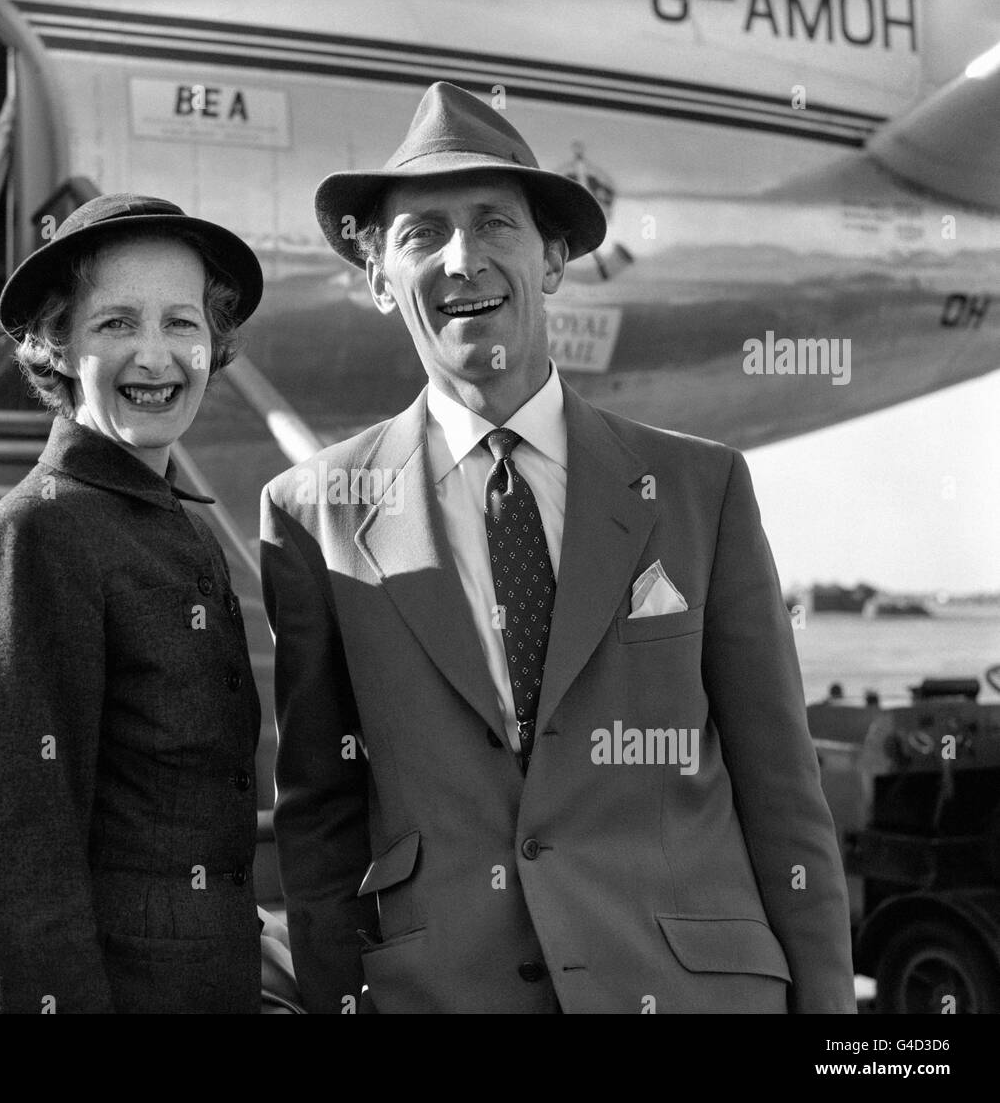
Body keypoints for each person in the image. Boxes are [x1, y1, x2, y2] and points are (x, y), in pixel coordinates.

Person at [260, 82, 855, 1013]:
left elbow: (784, 792)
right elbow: (320, 816)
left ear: (555, 259)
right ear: (379, 280)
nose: (463, 259)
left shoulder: (703, 491)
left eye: (496, 223)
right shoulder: (312, 513)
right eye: (420, 235)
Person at [0, 193, 266, 1013]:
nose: (157, 356)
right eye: (116, 324)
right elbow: (21, 859)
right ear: (58, 346)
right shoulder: (40, 536)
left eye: (182, 324)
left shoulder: (160, 518)